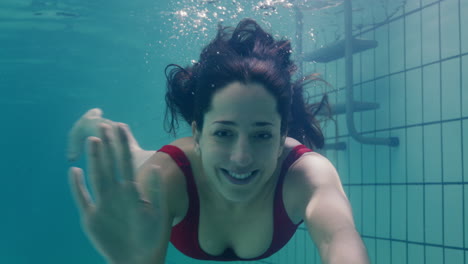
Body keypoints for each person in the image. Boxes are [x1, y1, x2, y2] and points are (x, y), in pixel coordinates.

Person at [67, 19, 370, 264]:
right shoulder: (166, 178)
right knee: (132, 151)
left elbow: (339, 237)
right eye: (224, 133)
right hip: (179, 166)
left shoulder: (306, 175)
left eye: (262, 135)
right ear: (197, 134)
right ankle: (93, 123)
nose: (241, 157)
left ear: (281, 138)